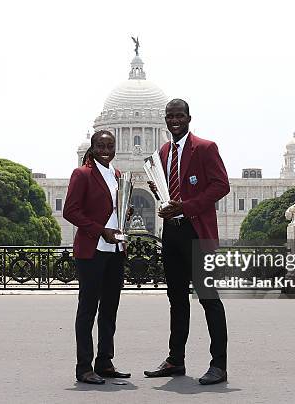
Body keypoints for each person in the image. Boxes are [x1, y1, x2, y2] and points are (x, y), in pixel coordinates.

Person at [144, 99, 230, 385]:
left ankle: (219, 364)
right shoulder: (163, 152)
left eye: (179, 116)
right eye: (170, 116)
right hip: (172, 233)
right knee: (176, 299)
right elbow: (169, 192)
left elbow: (221, 185)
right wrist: (161, 195)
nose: (174, 121)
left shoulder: (206, 148)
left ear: (189, 118)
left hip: (197, 231)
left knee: (208, 299)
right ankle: (175, 360)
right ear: (164, 120)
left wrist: (186, 206)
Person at [63, 130, 131, 385]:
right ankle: (84, 367)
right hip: (92, 249)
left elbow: (114, 208)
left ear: (116, 147)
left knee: (109, 310)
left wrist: (124, 211)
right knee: (88, 309)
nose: (105, 149)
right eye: (101, 145)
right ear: (91, 148)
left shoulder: (117, 175)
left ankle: (104, 362)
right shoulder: (82, 174)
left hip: (114, 251)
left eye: (110, 145)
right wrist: (101, 230)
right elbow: (70, 211)